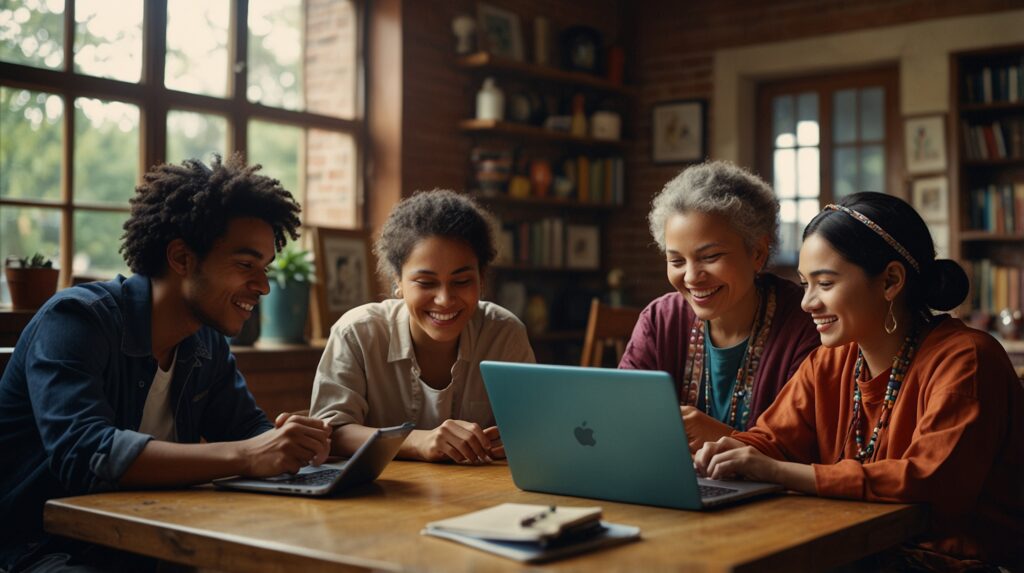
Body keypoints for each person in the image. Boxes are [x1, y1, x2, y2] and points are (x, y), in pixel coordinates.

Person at [0, 155, 332, 573]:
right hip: (42, 550)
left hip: (152, 544)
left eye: (264, 268)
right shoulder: (76, 320)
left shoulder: (205, 341)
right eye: (246, 265)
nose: (263, 286)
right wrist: (249, 455)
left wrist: (291, 445)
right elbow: (85, 453)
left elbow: (248, 431)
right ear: (181, 258)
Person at [695, 192, 1023, 570]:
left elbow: (926, 483)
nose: (807, 303)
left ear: (890, 281)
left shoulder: (967, 359)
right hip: (862, 551)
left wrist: (776, 471)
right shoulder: (829, 362)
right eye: (805, 284)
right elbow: (772, 441)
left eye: (826, 283)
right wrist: (723, 454)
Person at [310, 190, 535, 465]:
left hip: (479, 495)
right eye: (426, 283)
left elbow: (531, 432)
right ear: (398, 282)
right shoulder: (357, 333)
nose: (444, 299)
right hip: (387, 497)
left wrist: (516, 440)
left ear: (482, 278)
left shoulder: (505, 334)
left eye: (462, 281)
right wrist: (417, 441)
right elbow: (330, 432)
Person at [619, 161, 819, 451]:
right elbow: (622, 419)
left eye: (710, 257)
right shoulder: (660, 320)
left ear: (758, 252)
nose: (690, 277)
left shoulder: (803, 324)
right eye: (676, 261)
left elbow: (810, 450)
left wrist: (724, 437)